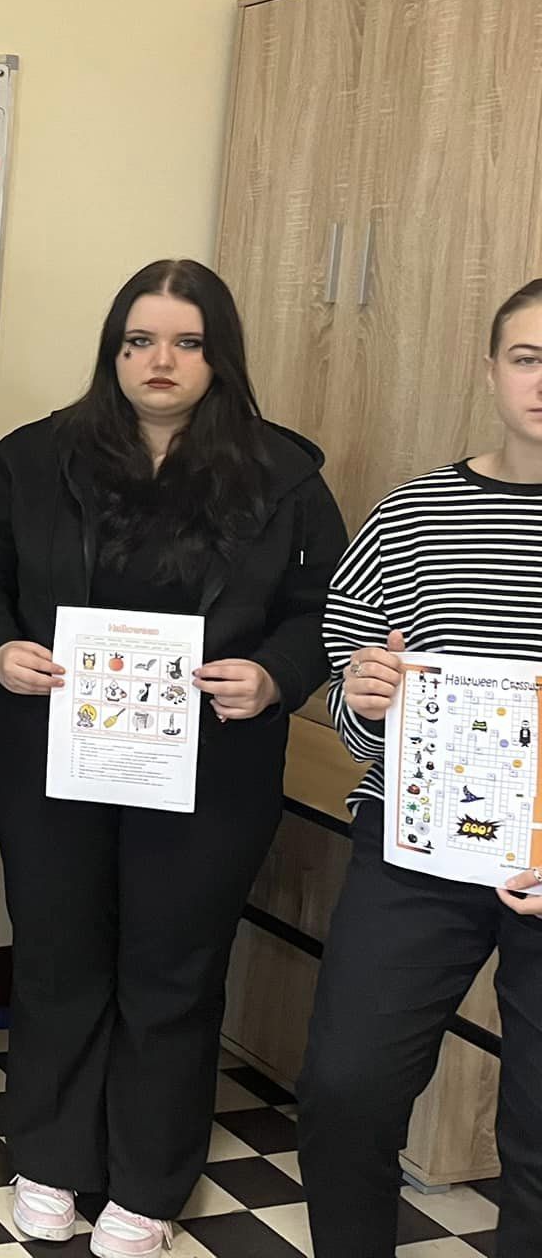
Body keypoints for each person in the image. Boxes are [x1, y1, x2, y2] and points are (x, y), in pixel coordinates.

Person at [0, 259, 345, 1255]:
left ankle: (148, 1183)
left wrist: (274, 676)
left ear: (219, 355)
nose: (160, 361)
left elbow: (323, 609)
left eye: (185, 342)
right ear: (112, 351)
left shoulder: (284, 475)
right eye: (139, 341)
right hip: (51, 755)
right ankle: (50, 1156)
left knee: (173, 967)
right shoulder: (35, 457)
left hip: (212, 766)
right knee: (57, 954)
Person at [296, 278, 542, 1256]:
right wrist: (362, 700)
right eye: (526, 358)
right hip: (416, 850)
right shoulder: (412, 515)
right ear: (489, 372)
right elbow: (348, 685)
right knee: (345, 1087)